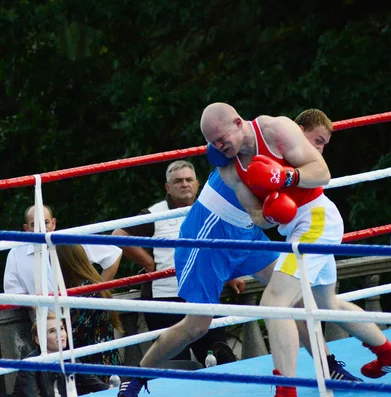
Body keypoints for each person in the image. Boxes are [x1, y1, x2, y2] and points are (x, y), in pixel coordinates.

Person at [117, 108, 367, 397]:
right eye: (316, 141)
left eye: (322, 144)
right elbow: (257, 210)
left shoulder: (281, 142)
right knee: (197, 326)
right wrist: (270, 213)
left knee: (295, 298)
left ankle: (328, 366)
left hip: (245, 232)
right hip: (207, 238)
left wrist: (277, 201)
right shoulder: (232, 158)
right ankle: (135, 376)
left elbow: (283, 200)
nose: (317, 148)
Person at [112, 160, 235, 365]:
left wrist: (232, 273)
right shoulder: (154, 213)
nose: (185, 184)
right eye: (178, 181)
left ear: (197, 184)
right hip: (166, 298)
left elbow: (222, 245)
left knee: (219, 355)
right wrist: (149, 263)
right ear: (168, 188)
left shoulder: (210, 207)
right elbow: (118, 234)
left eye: (189, 180)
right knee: (175, 364)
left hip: (204, 293)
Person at [4, 205, 122, 299]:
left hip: (82, 314)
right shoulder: (16, 254)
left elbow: (113, 254)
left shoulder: (70, 242)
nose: (41, 228)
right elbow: (15, 294)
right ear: (26, 228)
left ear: (53, 223)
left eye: (45, 222)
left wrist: (97, 292)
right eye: (34, 224)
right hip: (45, 323)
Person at [56, 244, 123, 376]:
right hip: (101, 364)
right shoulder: (89, 288)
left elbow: (71, 337)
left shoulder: (87, 293)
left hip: (96, 370)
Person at [13, 311, 109, 396]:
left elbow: (98, 385)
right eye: (52, 331)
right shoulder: (29, 365)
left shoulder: (69, 358)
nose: (60, 334)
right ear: (38, 340)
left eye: (61, 328)